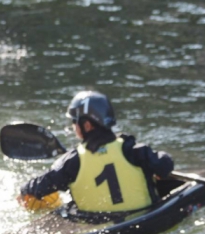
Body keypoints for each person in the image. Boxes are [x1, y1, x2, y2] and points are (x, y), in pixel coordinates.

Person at [18, 91, 174, 214]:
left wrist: (25, 190)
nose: (73, 126)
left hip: (97, 227)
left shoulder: (72, 162)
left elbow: (39, 186)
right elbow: (166, 164)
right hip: (143, 218)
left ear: (87, 125)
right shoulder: (133, 150)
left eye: (74, 121)